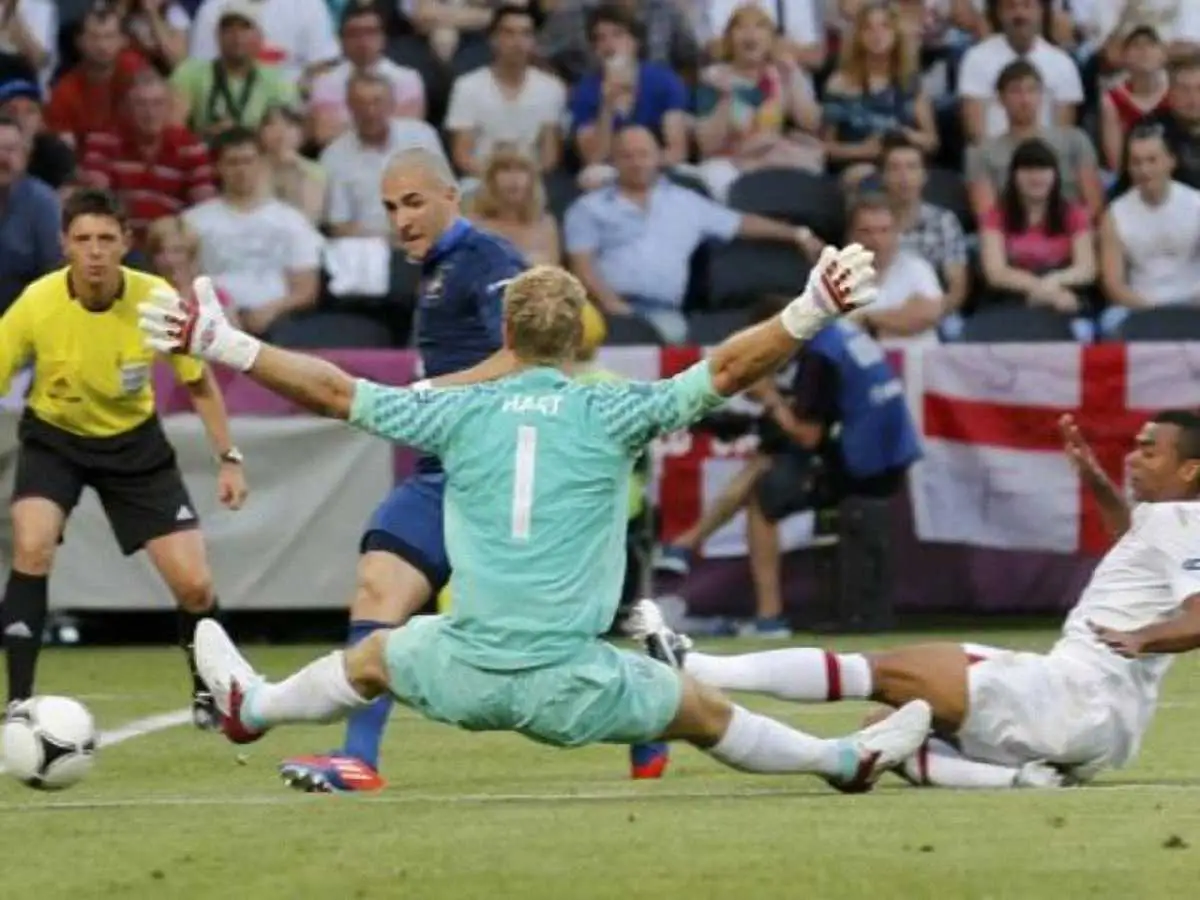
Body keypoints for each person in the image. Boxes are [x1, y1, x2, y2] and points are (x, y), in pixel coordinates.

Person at [140, 248, 935, 795]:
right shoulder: (615, 410)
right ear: (577, 334)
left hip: (461, 667)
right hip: (570, 682)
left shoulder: (454, 411)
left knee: (376, 654)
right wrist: (811, 308)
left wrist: (223, 342)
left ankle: (254, 708)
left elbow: (333, 391)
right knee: (704, 713)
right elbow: (727, 369)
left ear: (506, 335)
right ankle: (842, 760)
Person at [636, 410, 1200, 788]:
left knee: (877, 671)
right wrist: (1096, 479)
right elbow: (1133, 539)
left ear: (1190, 468)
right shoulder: (1166, 521)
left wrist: (1143, 637)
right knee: (889, 721)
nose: (1134, 457)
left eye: (1150, 452)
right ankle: (1018, 780)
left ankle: (693, 666)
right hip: (1096, 723)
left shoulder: (1183, 519)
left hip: (1070, 693)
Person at [253, 147, 526, 792]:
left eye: (414, 202)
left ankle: (657, 718)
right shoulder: (435, 270)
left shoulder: (489, 260)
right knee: (379, 588)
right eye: (390, 207)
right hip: (440, 473)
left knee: (540, 640)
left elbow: (526, 355)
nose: (401, 219)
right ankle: (358, 759)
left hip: (499, 474)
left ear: (451, 197)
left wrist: (430, 392)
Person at [0, 188, 248, 728]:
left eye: (106, 239)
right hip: (54, 438)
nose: (94, 251)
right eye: (83, 239)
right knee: (32, 546)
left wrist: (228, 457)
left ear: (125, 243)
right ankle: (18, 703)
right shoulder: (37, 303)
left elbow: (199, 382)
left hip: (135, 446)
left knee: (195, 585)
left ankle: (209, 690)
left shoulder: (156, 299)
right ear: (64, 244)